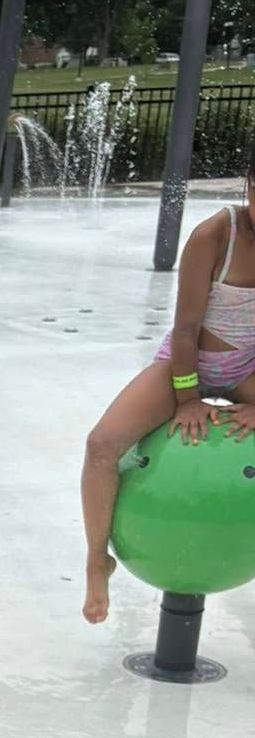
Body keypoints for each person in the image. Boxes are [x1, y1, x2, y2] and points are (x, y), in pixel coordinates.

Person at [80, 152, 255, 623]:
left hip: (249, 369)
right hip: (187, 361)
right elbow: (185, 329)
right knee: (101, 444)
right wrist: (187, 398)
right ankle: (98, 559)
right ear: (248, 183)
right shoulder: (215, 236)